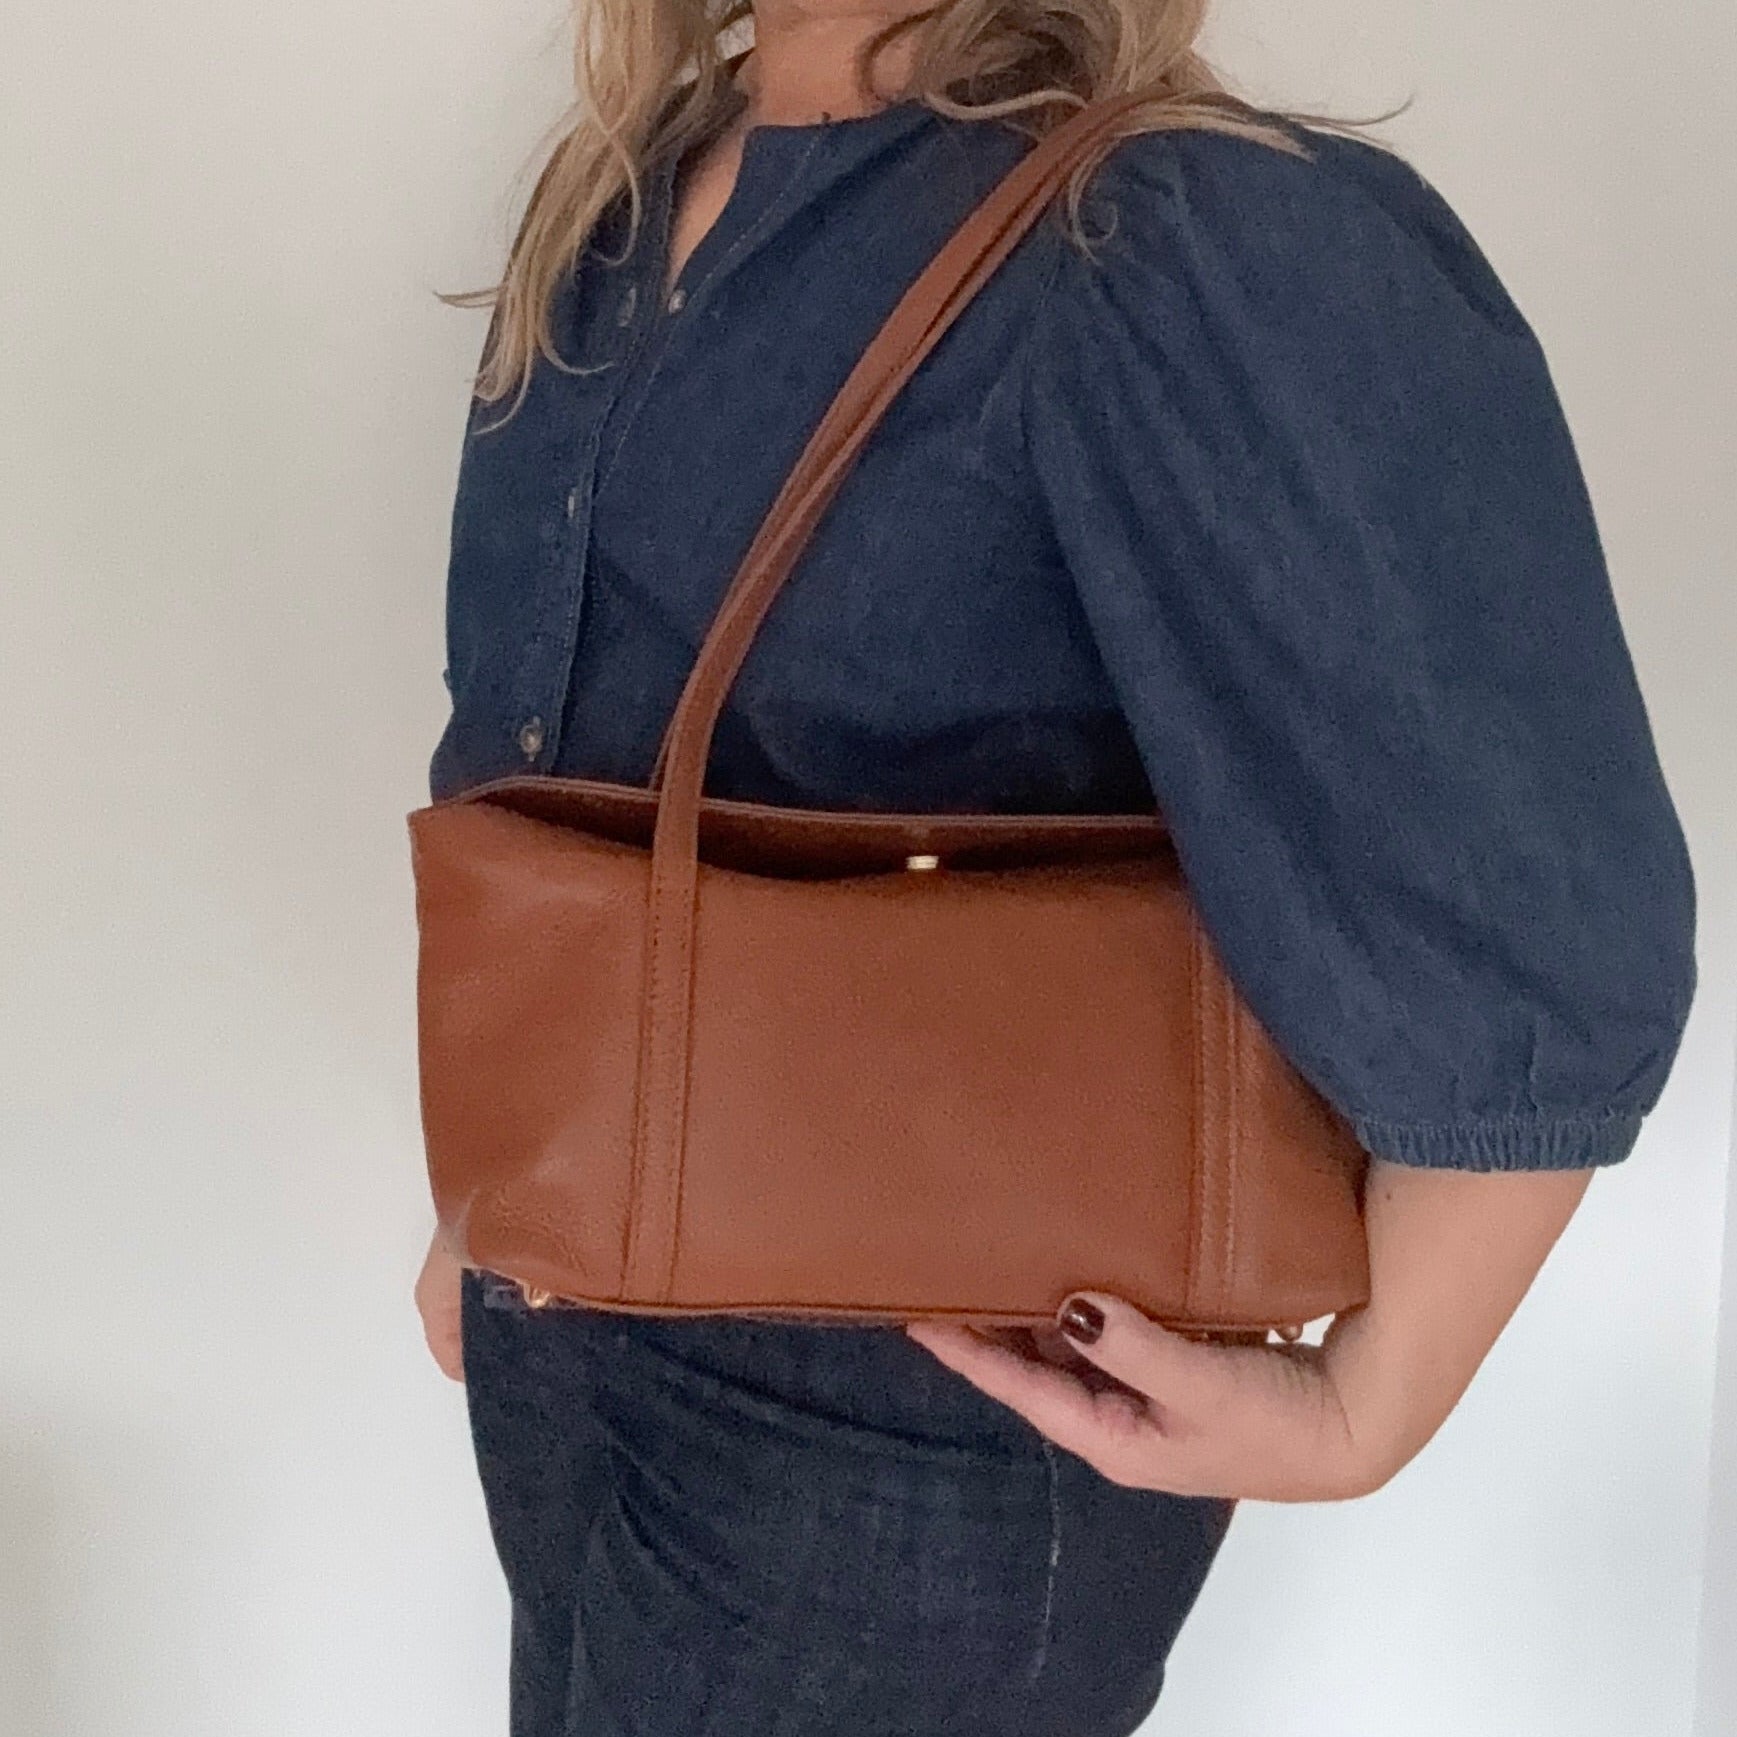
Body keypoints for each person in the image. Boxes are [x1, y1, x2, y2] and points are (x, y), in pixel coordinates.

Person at [412, 2, 1698, 1731]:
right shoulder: (621, 205)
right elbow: (553, 760)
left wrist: (1371, 1402)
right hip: (569, 1334)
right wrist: (503, 1178)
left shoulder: (1166, 233)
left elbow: (1516, 858)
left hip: (930, 1407)